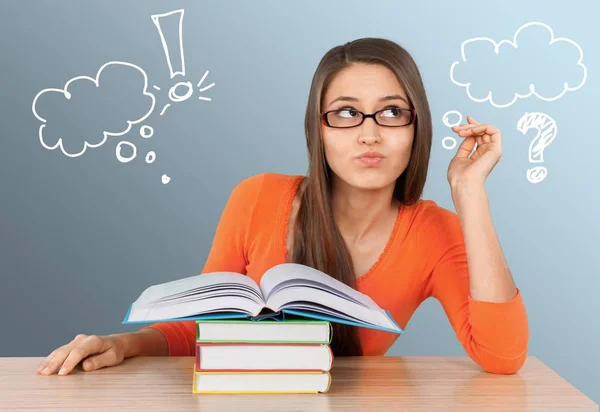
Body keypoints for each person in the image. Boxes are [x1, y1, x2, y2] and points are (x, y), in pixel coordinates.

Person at [36, 37, 528, 377]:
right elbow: (200, 326)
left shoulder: (433, 231)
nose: (370, 133)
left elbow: (502, 357)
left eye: (393, 112)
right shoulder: (258, 197)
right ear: (319, 128)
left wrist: (471, 194)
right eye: (347, 113)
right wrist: (123, 345)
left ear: (417, 127)